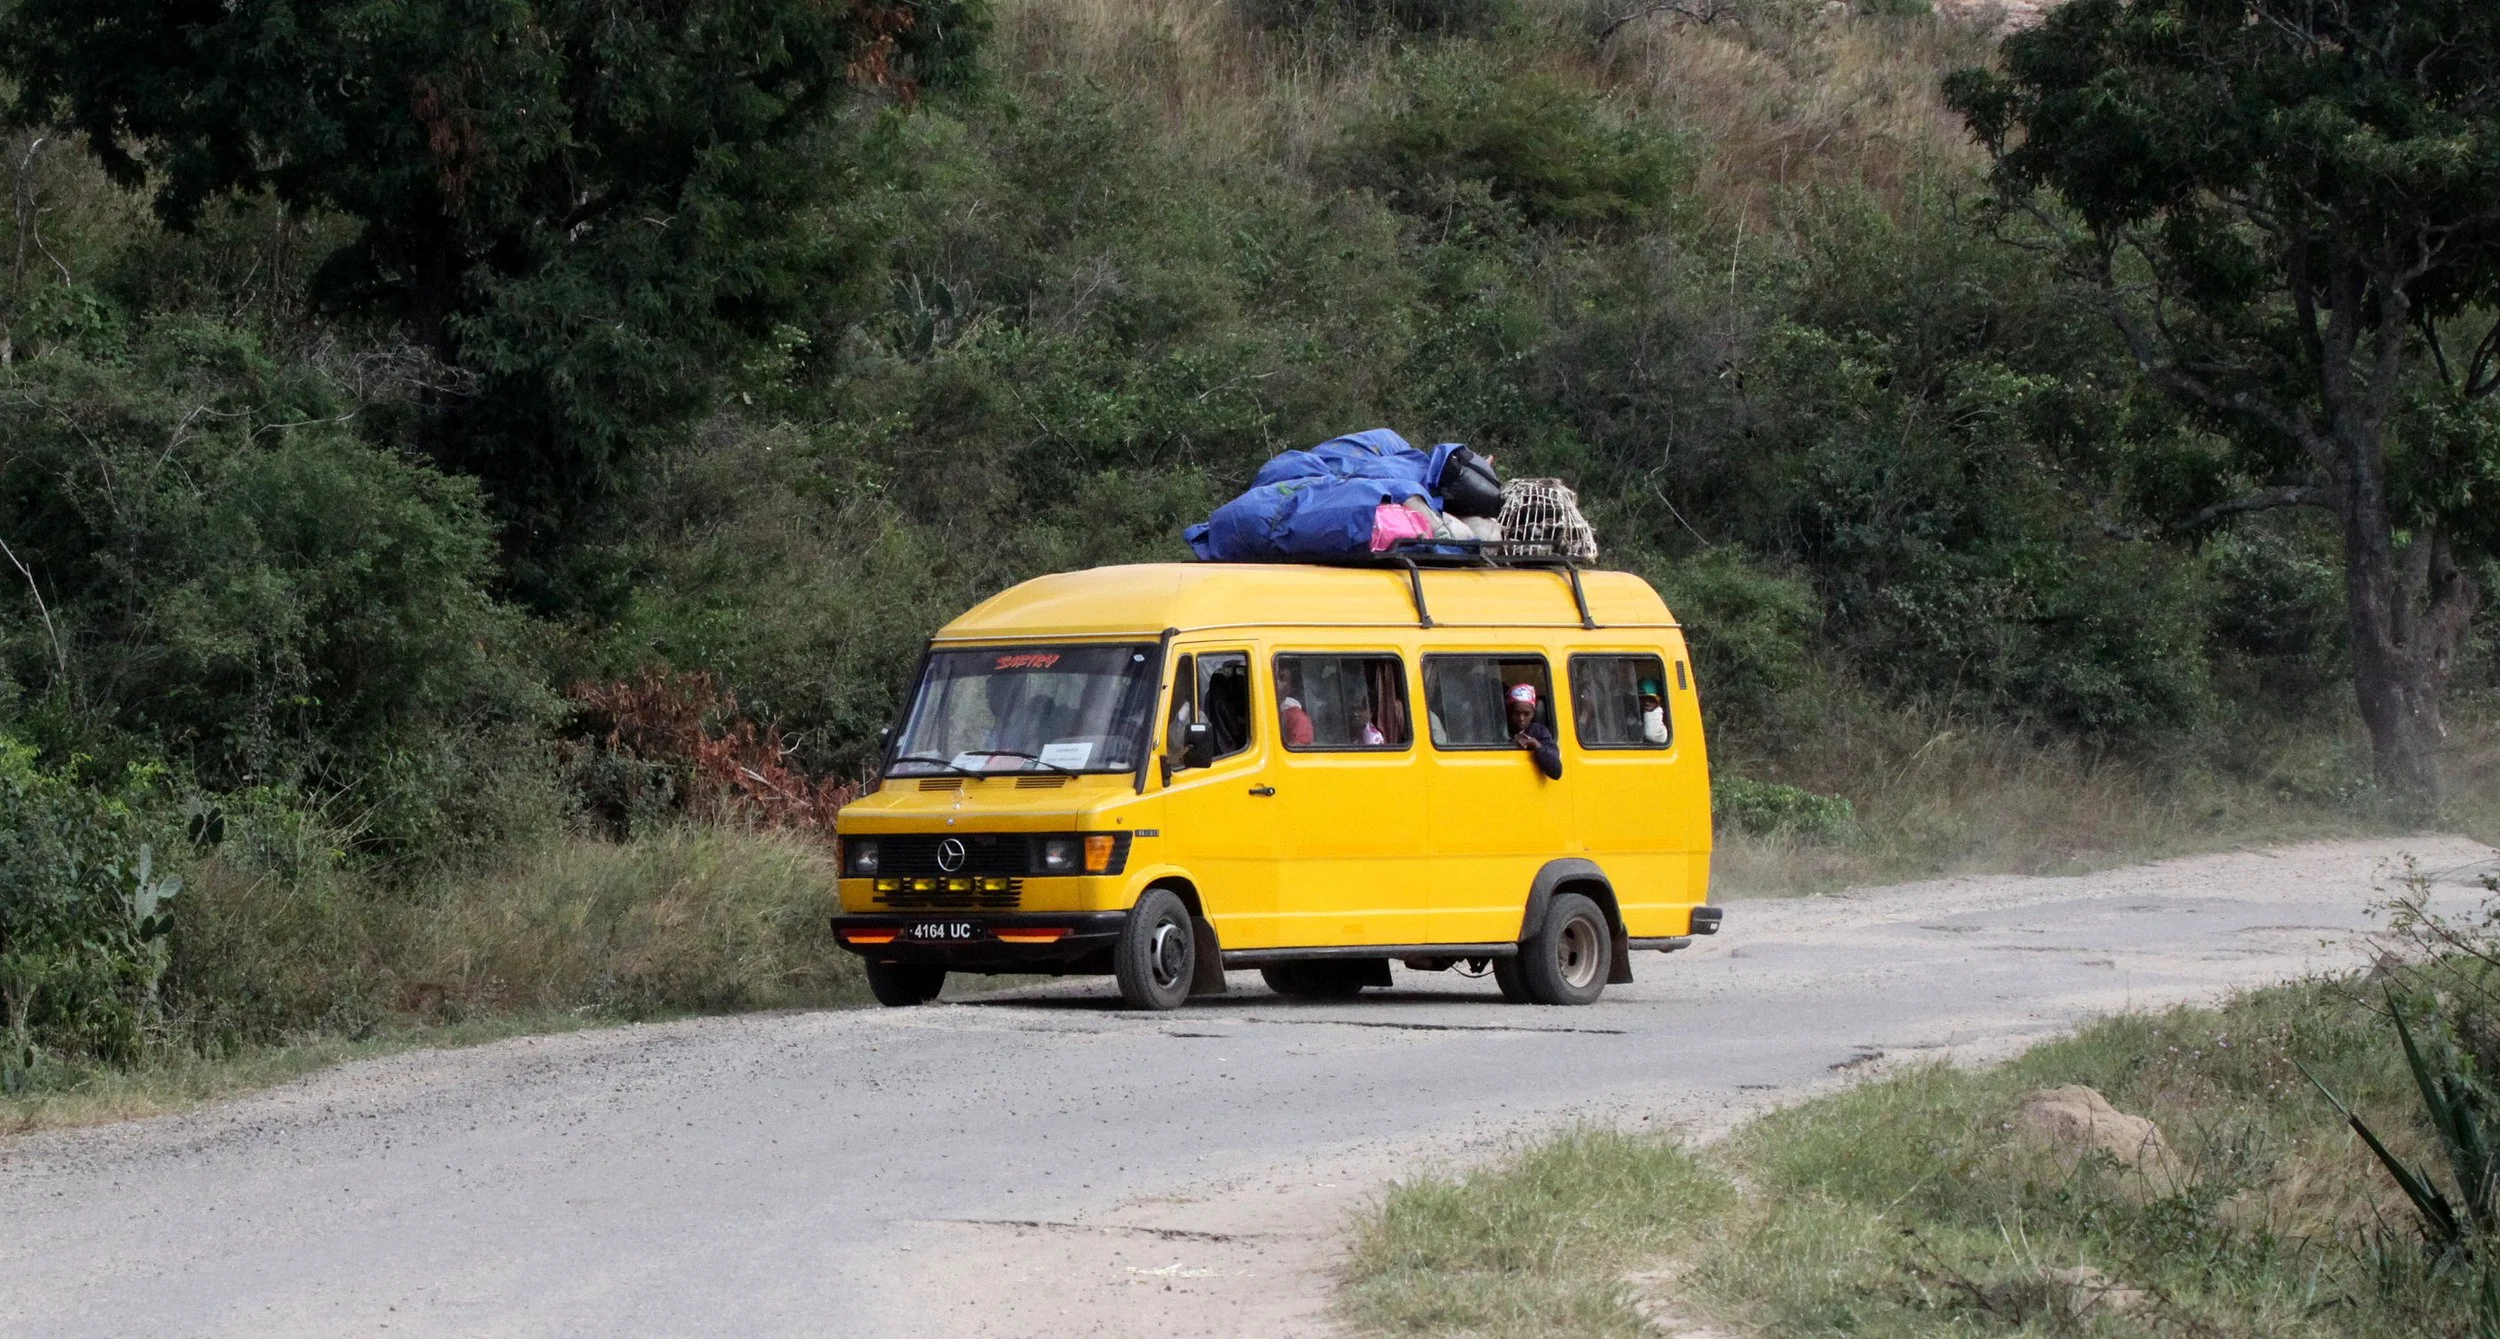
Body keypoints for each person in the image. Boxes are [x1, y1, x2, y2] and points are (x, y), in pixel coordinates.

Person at [1507, 683, 1561, 779]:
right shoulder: (1503, 728)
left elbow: (1556, 771)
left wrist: (1537, 746)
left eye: (1526, 714)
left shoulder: (1539, 732)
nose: (1521, 718)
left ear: (1533, 714)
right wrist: (1511, 742)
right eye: (1516, 713)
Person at [1276, 663, 1316, 747]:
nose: (1275, 681)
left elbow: (1299, 753)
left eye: (1281, 678)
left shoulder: (1297, 718)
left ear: (1290, 687)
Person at [1638, 679, 1670, 744]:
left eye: (1651, 699)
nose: (1646, 703)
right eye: (1642, 699)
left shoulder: (1667, 718)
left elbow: (1653, 735)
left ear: (1660, 701)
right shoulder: (1634, 717)